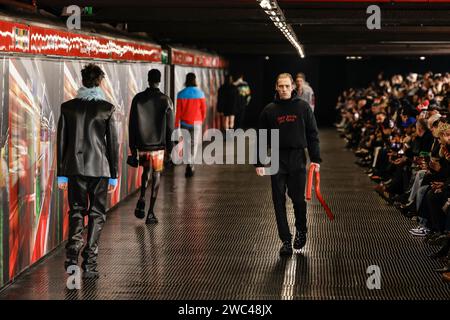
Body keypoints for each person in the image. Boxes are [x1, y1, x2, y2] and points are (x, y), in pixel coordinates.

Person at [57, 64, 119, 278]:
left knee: (76, 211)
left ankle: (72, 257)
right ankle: (90, 264)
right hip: (100, 170)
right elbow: (113, 145)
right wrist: (114, 175)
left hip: (74, 169)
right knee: (97, 215)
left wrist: (61, 173)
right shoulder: (107, 108)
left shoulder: (67, 108)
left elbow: (62, 143)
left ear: (82, 81)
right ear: (100, 82)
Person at [256, 73, 321, 256]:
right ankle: (285, 240)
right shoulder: (269, 110)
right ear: (276, 87)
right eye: (280, 86)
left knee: (298, 199)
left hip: (297, 157)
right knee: (278, 200)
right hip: (276, 158)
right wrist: (259, 162)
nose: (284, 89)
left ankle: (301, 230)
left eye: (287, 86)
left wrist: (315, 159)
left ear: (293, 87)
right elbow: (261, 137)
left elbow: (312, 134)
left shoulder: (303, 107)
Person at [128, 69, 174, 224]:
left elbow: (132, 125)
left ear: (148, 80)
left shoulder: (138, 99)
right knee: (156, 175)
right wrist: (171, 149)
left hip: (143, 144)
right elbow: (169, 129)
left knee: (146, 172)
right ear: (159, 80)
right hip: (158, 147)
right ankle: (151, 212)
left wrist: (133, 148)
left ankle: (142, 196)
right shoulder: (165, 100)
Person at [175, 73, 207, 178]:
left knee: (187, 144)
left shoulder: (180, 94)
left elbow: (178, 112)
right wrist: (201, 119)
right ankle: (190, 163)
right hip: (197, 122)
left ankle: (189, 161)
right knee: (194, 144)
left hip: (184, 123)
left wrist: (176, 125)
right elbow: (204, 110)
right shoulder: (200, 93)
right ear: (195, 80)